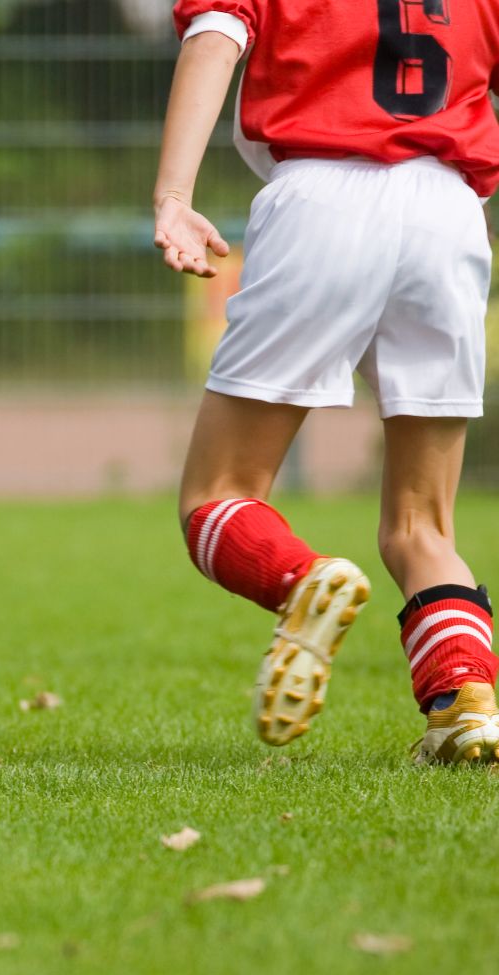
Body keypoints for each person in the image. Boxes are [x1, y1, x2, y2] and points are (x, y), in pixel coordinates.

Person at [156, 0, 499, 762]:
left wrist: (174, 198)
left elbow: (213, 43)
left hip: (321, 197)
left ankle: (303, 580)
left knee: (217, 494)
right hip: (450, 212)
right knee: (423, 526)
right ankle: (467, 703)